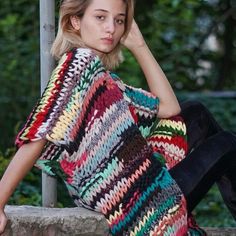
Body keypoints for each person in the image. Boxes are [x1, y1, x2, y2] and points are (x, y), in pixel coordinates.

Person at [0, 0, 235, 235]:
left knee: (195, 112)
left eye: (119, 20)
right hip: (143, 206)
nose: (111, 28)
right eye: (100, 17)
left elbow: (169, 108)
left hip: (136, 186)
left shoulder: (106, 82)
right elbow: (40, 131)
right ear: (76, 21)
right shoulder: (79, 63)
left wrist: (140, 45)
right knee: (227, 143)